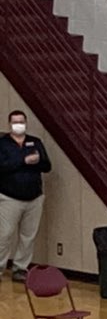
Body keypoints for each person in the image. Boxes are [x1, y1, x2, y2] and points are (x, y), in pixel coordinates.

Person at [0, 109, 52, 282]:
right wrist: (23, 161)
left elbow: (46, 166)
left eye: (21, 121)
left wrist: (38, 161)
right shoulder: (3, 144)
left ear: (26, 122)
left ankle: (20, 268)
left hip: (34, 197)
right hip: (9, 197)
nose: (18, 125)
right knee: (5, 234)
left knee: (28, 236)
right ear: (9, 124)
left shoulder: (35, 142)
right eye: (15, 122)